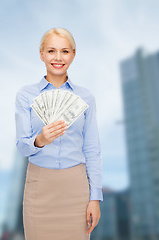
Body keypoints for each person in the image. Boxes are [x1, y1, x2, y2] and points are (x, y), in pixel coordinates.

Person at [15, 27, 103, 240]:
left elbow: (92, 149)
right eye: (51, 51)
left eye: (65, 51)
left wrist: (95, 198)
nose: (58, 57)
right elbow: (21, 146)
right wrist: (40, 140)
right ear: (42, 54)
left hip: (76, 188)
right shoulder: (25, 95)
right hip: (39, 187)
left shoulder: (86, 97)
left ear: (73, 54)